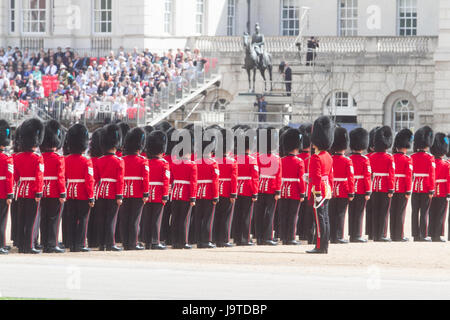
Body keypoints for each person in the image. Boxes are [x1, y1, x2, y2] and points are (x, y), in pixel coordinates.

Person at [14, 119, 45, 254]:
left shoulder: (17, 157)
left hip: (21, 190)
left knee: (21, 219)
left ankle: (21, 244)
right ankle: (30, 245)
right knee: (32, 219)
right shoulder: (38, 158)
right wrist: (38, 192)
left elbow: (15, 177)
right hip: (33, 191)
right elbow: (39, 176)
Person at [94, 124, 125, 251]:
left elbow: (95, 179)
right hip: (112, 192)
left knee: (101, 219)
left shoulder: (99, 160)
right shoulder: (119, 161)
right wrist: (119, 196)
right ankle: (110, 243)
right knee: (111, 219)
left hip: (101, 192)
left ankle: (101, 244)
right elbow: (120, 180)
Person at [65, 124, 95, 252]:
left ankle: (71, 244)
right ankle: (80, 244)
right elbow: (89, 181)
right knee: (83, 219)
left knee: (71, 219)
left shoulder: (65, 159)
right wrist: (91, 196)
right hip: (83, 193)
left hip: (69, 192)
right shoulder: (86, 161)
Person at [306, 116, 334, 254]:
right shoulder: (328, 156)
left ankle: (319, 246)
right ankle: (325, 246)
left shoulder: (316, 157)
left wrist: (316, 193)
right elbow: (330, 175)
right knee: (326, 219)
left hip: (319, 191)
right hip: (327, 189)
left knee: (320, 219)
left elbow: (316, 178)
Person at [119, 127, 149, 251]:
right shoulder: (143, 161)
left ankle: (125, 242)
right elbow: (145, 178)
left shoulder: (122, 160)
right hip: (137, 192)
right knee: (135, 219)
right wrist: (146, 193)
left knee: (124, 218)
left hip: (124, 191)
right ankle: (133, 242)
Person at [39, 120, 66, 254]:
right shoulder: (58, 158)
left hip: (43, 190)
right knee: (54, 218)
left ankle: (44, 243)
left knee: (43, 218)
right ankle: (52, 243)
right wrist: (62, 193)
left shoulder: (41, 156)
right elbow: (60, 177)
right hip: (55, 191)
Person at [170, 129, 197, 249]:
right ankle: (183, 241)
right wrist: (193, 197)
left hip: (175, 193)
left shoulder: (174, 163)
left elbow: (171, 179)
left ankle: (175, 241)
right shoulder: (191, 165)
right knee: (185, 219)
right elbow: (193, 183)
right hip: (186, 193)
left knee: (175, 218)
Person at [143, 130, 170, 250]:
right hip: (159, 193)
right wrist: (165, 195)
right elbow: (166, 180)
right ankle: (155, 241)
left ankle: (147, 241)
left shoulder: (146, 162)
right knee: (156, 218)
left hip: (147, 192)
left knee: (147, 218)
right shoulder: (164, 164)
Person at [254, 128, 282, 246]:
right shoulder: (276, 158)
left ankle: (259, 237)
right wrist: (277, 191)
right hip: (271, 188)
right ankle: (267, 237)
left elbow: (256, 175)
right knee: (269, 214)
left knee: (259, 213)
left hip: (260, 188)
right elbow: (278, 176)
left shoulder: (258, 157)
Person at [279, 128, 305, 245]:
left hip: (283, 190)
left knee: (283, 214)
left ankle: (284, 237)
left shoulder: (281, 160)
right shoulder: (299, 162)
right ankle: (291, 237)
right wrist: (302, 192)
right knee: (294, 215)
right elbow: (301, 179)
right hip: (294, 190)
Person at [193, 131, 220, 249]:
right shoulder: (213, 163)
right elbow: (215, 181)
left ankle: (198, 240)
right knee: (208, 218)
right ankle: (206, 240)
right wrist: (215, 196)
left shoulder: (196, 162)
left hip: (198, 193)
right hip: (209, 193)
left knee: (198, 217)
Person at [329, 127, 355, 244]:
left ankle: (331, 235)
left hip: (331, 188)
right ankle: (339, 236)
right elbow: (350, 177)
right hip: (343, 189)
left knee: (331, 213)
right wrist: (351, 192)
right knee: (341, 213)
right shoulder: (347, 161)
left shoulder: (330, 159)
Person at [234, 130, 259, 246]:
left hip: (237, 188)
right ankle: (245, 239)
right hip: (248, 189)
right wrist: (255, 193)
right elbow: (255, 178)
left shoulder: (235, 159)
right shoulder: (252, 160)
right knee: (246, 216)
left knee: (237, 214)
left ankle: (237, 238)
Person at [213, 128, 238, 248]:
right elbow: (233, 179)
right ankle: (224, 240)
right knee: (226, 217)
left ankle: (214, 238)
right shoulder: (232, 162)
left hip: (215, 191)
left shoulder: (213, 160)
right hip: (227, 191)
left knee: (216, 216)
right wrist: (233, 194)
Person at [370, 126, 395, 242]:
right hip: (385, 186)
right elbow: (391, 174)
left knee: (374, 211)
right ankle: (382, 235)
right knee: (384, 212)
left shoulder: (371, 157)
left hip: (374, 186)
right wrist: (391, 189)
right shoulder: (389, 158)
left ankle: (375, 235)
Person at [411, 126, 436, 242]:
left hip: (415, 187)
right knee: (424, 212)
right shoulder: (430, 158)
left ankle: (415, 235)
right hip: (426, 187)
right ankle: (423, 235)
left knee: (415, 211)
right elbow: (431, 174)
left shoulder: (412, 157)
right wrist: (431, 189)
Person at [348, 128, 372, 243]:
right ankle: (357, 235)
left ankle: (351, 233)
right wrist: (368, 191)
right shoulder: (365, 160)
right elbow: (367, 177)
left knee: (351, 211)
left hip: (350, 188)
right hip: (361, 188)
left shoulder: (349, 158)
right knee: (359, 212)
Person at [390, 129, 414, 242]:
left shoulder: (392, 158)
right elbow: (408, 176)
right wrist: (408, 190)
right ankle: (399, 235)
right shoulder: (407, 159)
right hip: (403, 188)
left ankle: (392, 234)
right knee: (400, 212)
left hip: (392, 187)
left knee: (393, 211)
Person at [428, 133, 450, 242]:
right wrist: (448, 193)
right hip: (442, 191)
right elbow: (448, 180)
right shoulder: (446, 164)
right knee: (441, 214)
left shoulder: (430, 162)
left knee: (431, 213)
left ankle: (431, 234)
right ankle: (438, 235)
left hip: (431, 190)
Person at [297, 124, 314, 244]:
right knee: (308, 214)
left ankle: (300, 233)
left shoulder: (298, 157)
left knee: (299, 213)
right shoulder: (310, 158)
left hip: (297, 188)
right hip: (308, 188)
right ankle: (307, 235)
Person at [0, 120, 13, 254]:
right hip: (2, 192)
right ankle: (0, 245)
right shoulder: (6, 158)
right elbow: (9, 178)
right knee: (2, 220)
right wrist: (10, 194)